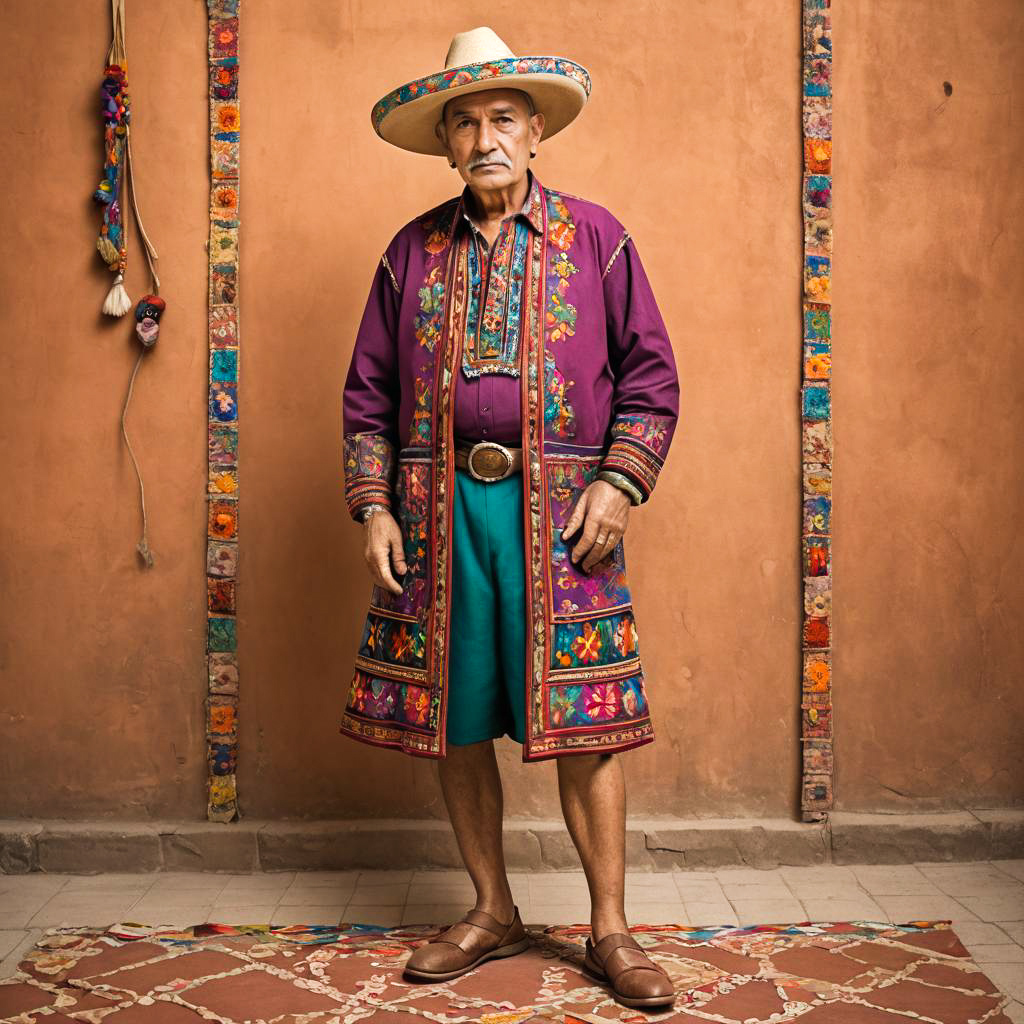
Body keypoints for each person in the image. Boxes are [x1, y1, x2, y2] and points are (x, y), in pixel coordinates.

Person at [339, 26, 681, 1009]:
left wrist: (618, 483)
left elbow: (651, 381)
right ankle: (492, 907)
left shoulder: (599, 239)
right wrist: (373, 506)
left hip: (563, 515)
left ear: (534, 132)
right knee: (455, 720)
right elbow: (366, 394)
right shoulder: (411, 253)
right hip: (438, 514)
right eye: (464, 123)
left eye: (501, 118)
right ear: (444, 143)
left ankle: (611, 928)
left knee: (586, 730)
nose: (484, 137)